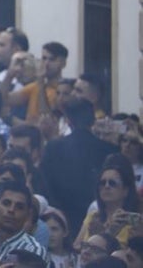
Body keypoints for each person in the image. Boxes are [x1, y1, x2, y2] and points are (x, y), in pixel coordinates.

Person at [41, 98, 120, 241]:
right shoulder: (109, 149)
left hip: (62, 215)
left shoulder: (53, 148)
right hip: (99, 215)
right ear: (93, 120)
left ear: (68, 120)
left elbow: (45, 182)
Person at [73, 157, 141, 251]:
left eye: (112, 183)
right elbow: (75, 248)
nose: (106, 186)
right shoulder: (93, 216)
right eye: (102, 183)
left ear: (126, 190)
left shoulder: (134, 221)